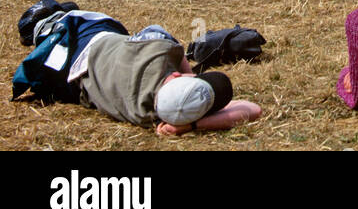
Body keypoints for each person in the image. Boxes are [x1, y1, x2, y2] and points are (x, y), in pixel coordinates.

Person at [73, 27, 260, 134]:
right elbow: (252, 109)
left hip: (93, 40)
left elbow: (158, 33)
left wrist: (186, 71)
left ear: (177, 76)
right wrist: (190, 126)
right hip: (77, 73)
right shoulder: (147, 115)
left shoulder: (159, 49)